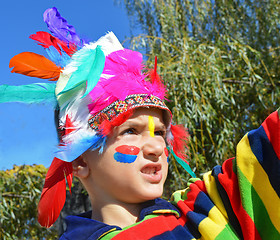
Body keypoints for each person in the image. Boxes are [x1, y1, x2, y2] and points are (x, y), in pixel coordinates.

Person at [1, 7, 279, 240]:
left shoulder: (205, 214)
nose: (156, 147)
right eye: (130, 131)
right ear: (81, 161)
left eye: (160, 132)